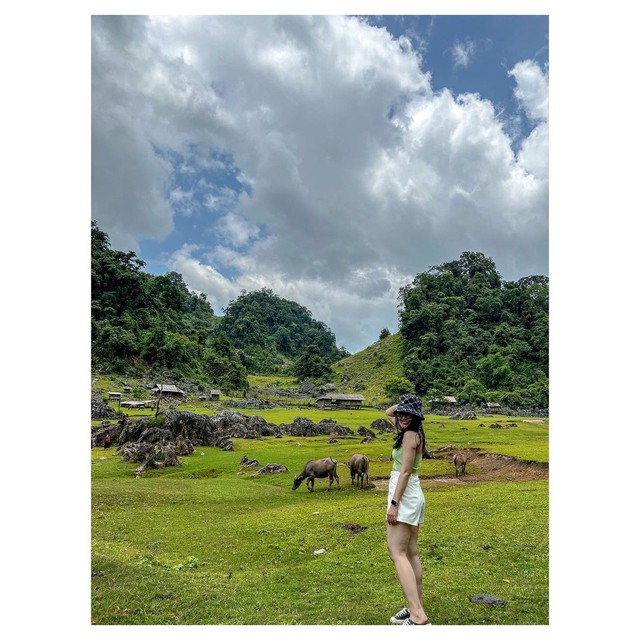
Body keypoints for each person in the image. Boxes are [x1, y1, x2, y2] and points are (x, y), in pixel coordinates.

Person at [385, 394, 430, 625]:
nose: (402, 416)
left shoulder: (410, 435)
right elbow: (389, 412)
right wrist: (409, 404)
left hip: (404, 494)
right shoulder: (414, 431)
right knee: (411, 553)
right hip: (413, 493)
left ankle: (418, 615)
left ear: (415, 417)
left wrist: (394, 504)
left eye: (408, 414)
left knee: (396, 552)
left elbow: (404, 472)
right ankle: (416, 606)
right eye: (401, 412)